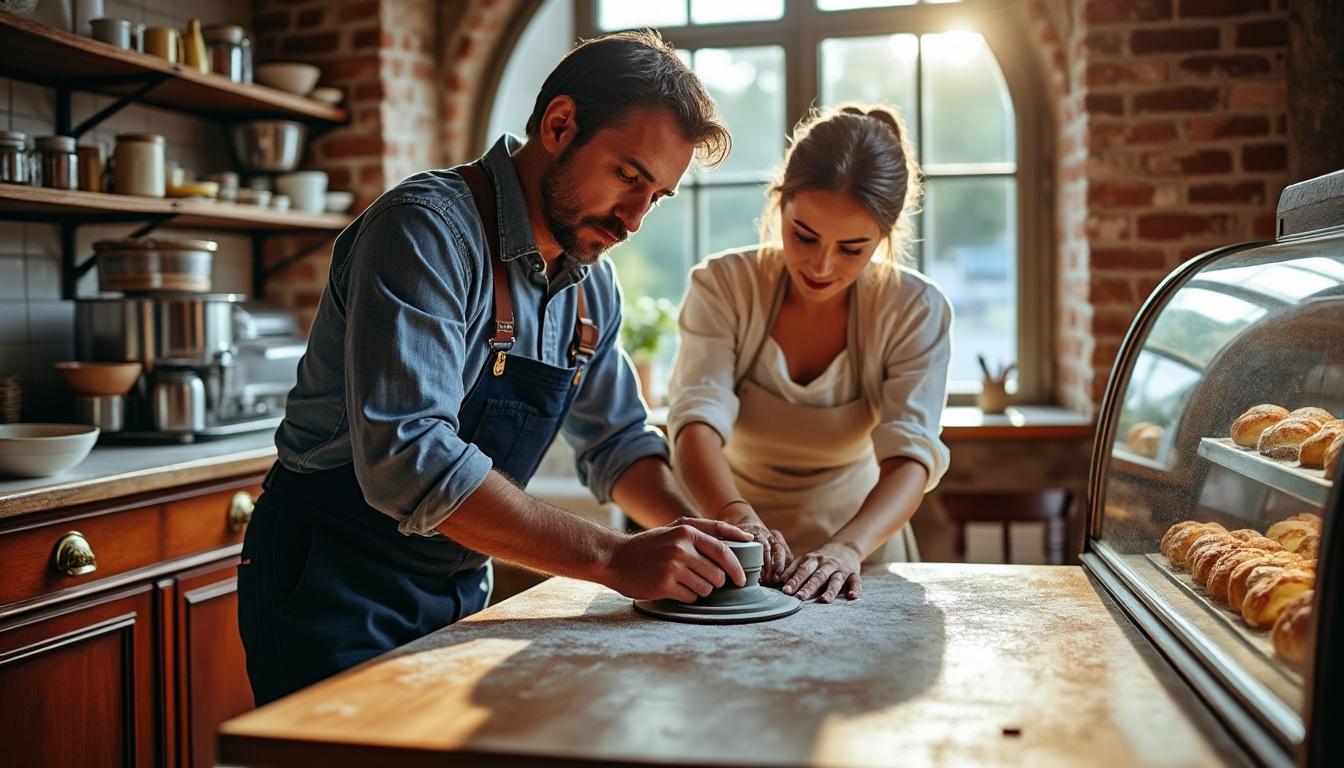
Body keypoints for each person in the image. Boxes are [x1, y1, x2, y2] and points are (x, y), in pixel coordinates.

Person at [238, 30, 752, 706]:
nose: (633, 221)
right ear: (559, 125)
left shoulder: (592, 286)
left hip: (456, 588)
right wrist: (611, 558)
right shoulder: (424, 232)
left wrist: (693, 538)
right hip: (330, 585)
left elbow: (619, 443)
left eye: (655, 197)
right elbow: (410, 458)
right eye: (629, 177)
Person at [668, 104, 952, 604]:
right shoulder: (722, 286)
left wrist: (847, 547)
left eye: (852, 248)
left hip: (863, 549)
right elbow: (695, 422)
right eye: (804, 236)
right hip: (732, 547)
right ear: (780, 205)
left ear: (885, 238)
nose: (821, 265)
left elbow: (912, 454)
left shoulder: (914, 308)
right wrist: (735, 514)